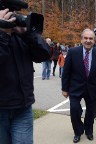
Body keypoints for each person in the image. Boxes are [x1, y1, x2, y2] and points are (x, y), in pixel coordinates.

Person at [0, 8, 50, 144]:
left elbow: (44, 54)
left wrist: (27, 34)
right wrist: (3, 34)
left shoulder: (21, 36)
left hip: (22, 107)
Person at [61, 28, 96, 143]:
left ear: (94, 40)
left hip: (93, 89)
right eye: (86, 38)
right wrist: (64, 88)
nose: (88, 41)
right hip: (75, 88)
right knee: (74, 110)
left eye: (91, 38)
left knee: (90, 112)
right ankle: (78, 131)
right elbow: (66, 72)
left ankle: (89, 131)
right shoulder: (73, 52)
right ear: (82, 39)